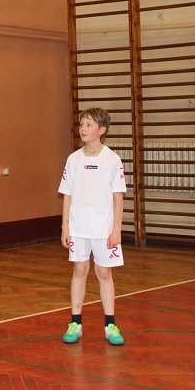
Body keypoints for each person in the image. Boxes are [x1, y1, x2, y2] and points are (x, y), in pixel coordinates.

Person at [58, 107, 126, 346]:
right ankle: (75, 323)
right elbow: (67, 195)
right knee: (79, 270)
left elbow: (118, 197)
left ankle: (110, 325)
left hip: (103, 229)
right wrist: (65, 227)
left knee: (104, 273)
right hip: (78, 227)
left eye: (89, 125)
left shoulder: (112, 159)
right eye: (82, 124)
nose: (83, 129)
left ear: (102, 130)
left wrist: (116, 229)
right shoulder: (73, 159)